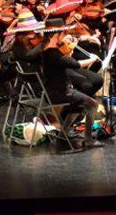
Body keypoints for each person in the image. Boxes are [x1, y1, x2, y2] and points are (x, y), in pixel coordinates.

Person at [41, 19, 104, 149]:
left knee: (79, 106)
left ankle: (64, 134)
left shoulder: (47, 50)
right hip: (61, 93)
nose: (64, 37)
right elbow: (76, 64)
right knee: (93, 104)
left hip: (54, 91)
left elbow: (66, 61)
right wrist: (92, 58)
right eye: (62, 34)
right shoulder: (53, 54)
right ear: (56, 35)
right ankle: (88, 140)